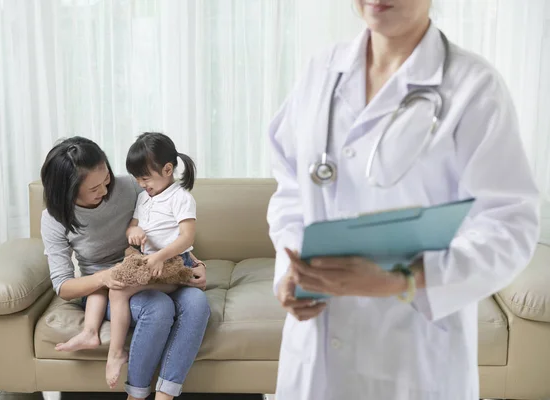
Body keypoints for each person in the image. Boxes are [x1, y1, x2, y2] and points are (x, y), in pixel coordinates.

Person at [266, 1, 540, 399]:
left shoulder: (472, 87)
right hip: (315, 344)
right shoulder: (319, 71)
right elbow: (290, 187)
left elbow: (508, 226)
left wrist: (403, 281)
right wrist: (290, 270)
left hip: (411, 350)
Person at [40, 136, 210, 400]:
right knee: (157, 307)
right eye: (94, 188)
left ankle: (166, 393)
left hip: (152, 268)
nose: (105, 190)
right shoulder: (54, 218)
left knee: (197, 303)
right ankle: (137, 394)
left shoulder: (132, 186)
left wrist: (195, 264)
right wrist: (106, 277)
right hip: (105, 284)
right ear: (68, 191)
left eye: (106, 178)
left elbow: (165, 228)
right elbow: (64, 286)